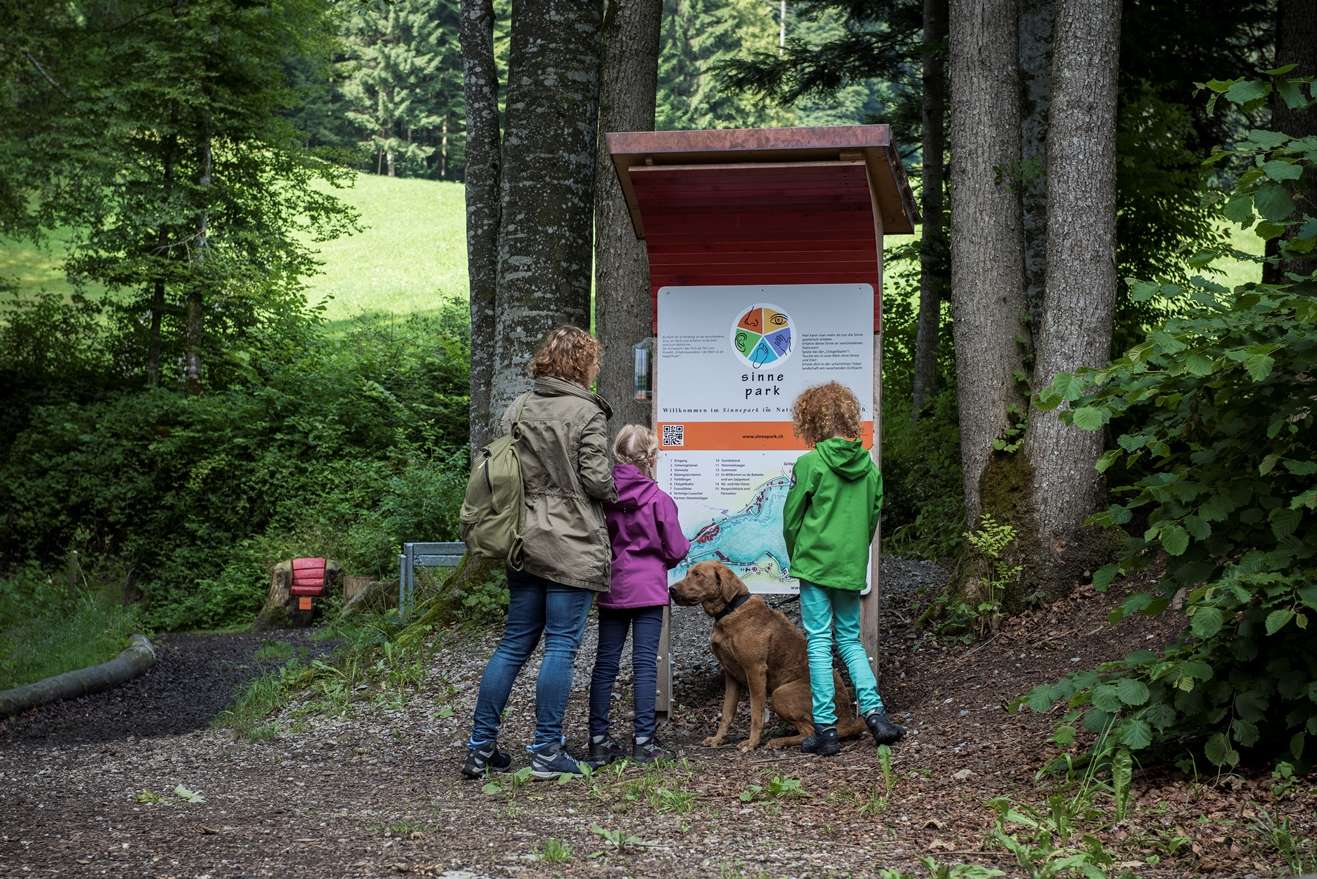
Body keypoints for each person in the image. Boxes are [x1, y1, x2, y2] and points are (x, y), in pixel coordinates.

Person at [462, 326, 616, 780]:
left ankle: (480, 747)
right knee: (562, 646)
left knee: (513, 644)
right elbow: (596, 480)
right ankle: (548, 749)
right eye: (593, 360)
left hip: (522, 539)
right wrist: (615, 492)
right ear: (582, 363)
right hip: (571, 541)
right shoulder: (587, 412)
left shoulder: (520, 406)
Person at [782, 381, 904, 757]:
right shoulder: (869, 469)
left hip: (815, 564)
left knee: (819, 641)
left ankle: (825, 730)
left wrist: (798, 554)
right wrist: (854, 555)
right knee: (850, 640)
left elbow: (792, 519)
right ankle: (876, 715)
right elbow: (871, 520)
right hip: (849, 565)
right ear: (849, 418)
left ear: (811, 421)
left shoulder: (810, 464)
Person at [586, 425, 690, 766]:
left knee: (605, 663)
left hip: (613, 586)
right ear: (651, 458)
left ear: (618, 455)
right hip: (648, 589)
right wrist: (658, 561)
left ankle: (598, 740)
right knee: (645, 664)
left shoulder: (602, 497)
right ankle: (644, 741)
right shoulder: (659, 499)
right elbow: (676, 548)